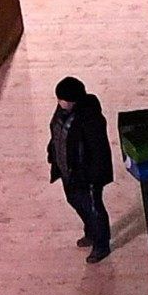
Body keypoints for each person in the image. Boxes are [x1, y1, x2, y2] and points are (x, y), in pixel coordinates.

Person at [48, 77, 115, 260]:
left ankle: (102, 244)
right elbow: (56, 132)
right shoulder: (63, 111)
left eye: (64, 99)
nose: (60, 102)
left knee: (94, 208)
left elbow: (97, 150)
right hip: (68, 170)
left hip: (87, 174)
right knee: (75, 201)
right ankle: (91, 232)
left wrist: (94, 177)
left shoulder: (90, 118)